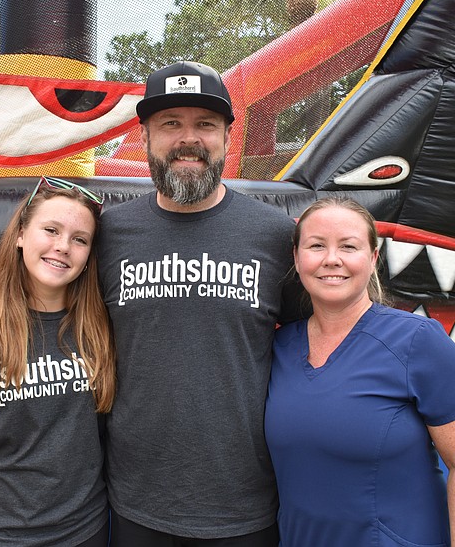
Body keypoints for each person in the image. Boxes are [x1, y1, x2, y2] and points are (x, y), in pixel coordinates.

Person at [97, 61, 303, 546]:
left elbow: (316, 345)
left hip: (246, 503)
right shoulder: (109, 234)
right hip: (134, 500)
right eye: (171, 124)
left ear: (228, 139)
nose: (188, 139)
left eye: (205, 124)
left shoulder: (275, 236)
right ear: (145, 136)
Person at [265, 197, 455, 546]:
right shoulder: (279, 348)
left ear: (372, 259)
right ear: (296, 258)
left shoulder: (419, 343)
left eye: (349, 246)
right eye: (316, 246)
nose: (332, 259)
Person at [0, 176, 115, 547]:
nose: (62, 247)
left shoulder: (100, 330)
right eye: (50, 230)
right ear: (20, 235)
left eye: (79, 239)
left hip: (86, 530)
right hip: (2, 533)